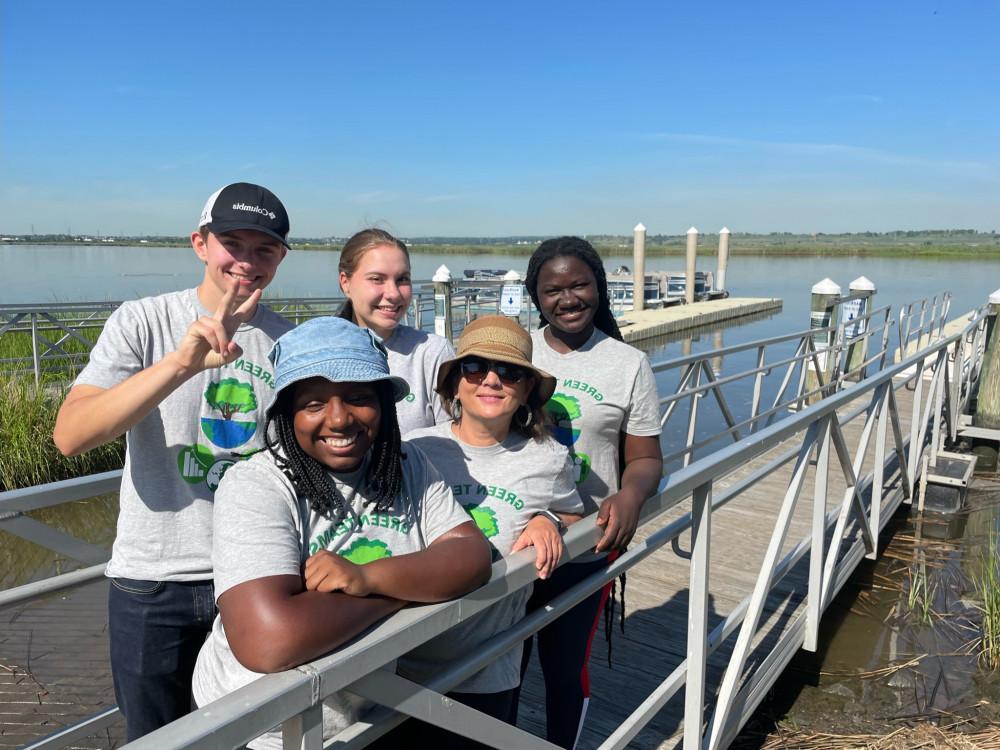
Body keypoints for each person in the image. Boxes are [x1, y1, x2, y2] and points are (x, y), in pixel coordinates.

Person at [50, 183, 294, 739]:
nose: (247, 263)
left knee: (252, 734)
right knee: (157, 737)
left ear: (280, 258)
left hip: (254, 575)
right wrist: (181, 365)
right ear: (199, 243)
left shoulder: (286, 342)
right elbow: (72, 434)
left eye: (266, 251)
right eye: (233, 244)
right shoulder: (143, 322)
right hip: (153, 581)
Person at [192, 316, 492, 750]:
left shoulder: (408, 465)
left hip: (364, 715)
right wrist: (410, 587)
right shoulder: (256, 484)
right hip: (262, 730)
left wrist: (366, 578)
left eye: (358, 397)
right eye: (313, 403)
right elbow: (267, 641)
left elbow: (471, 557)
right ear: (287, 413)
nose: (338, 419)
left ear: (385, 403)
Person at [396, 315, 584, 746]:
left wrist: (548, 520)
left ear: (527, 393)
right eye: (475, 368)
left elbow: (573, 514)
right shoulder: (417, 449)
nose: (492, 380)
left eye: (511, 372)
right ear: (454, 384)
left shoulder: (548, 457)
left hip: (488, 663)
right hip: (402, 660)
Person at [518, 236, 664, 748]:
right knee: (500, 672)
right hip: (514, 541)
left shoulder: (627, 364)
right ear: (536, 297)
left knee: (563, 670)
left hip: (586, 545)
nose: (567, 298)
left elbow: (645, 457)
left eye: (579, 285)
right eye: (552, 289)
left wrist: (630, 496)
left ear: (598, 288)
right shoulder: (519, 352)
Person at [337, 228, 455, 434]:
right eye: (377, 279)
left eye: (402, 279)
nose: (393, 293)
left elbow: (453, 439)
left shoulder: (431, 353)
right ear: (345, 283)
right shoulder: (320, 352)